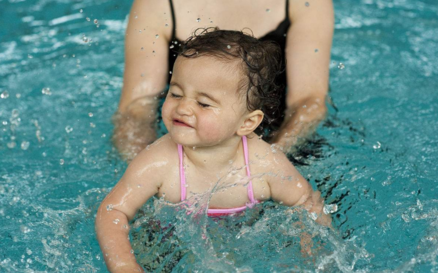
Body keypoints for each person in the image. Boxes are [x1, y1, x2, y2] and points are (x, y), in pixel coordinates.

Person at [97, 29, 331, 273]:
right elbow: (113, 211)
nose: (183, 107)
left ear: (247, 123)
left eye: (203, 103)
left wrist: (312, 252)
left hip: (244, 241)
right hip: (168, 237)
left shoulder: (263, 163)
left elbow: (306, 203)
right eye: (175, 93)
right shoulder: (158, 163)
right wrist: (125, 265)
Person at [113, 0, 334, 161]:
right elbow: (137, 109)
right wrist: (147, 168)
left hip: (280, 136)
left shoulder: (306, 3)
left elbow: (310, 101)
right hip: (188, 135)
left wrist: (270, 159)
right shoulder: (156, 5)